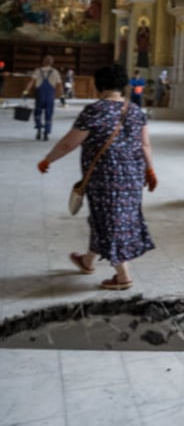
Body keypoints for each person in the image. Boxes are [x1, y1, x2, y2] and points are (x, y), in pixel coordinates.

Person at [36, 63, 156, 291]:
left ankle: (123, 276)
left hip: (105, 177)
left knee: (111, 221)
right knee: (108, 218)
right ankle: (88, 260)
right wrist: (150, 171)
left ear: (98, 85)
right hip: (132, 176)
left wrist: (48, 160)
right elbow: (145, 145)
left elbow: (69, 143)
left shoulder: (95, 110)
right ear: (123, 85)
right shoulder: (135, 111)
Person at [22, 55, 63, 142]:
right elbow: (59, 85)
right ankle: (46, 134)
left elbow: (31, 82)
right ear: (52, 63)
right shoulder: (55, 72)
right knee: (48, 114)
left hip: (40, 95)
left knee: (38, 112)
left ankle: (39, 129)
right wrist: (62, 96)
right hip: (50, 96)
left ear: (43, 62)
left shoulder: (37, 70)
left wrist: (25, 91)